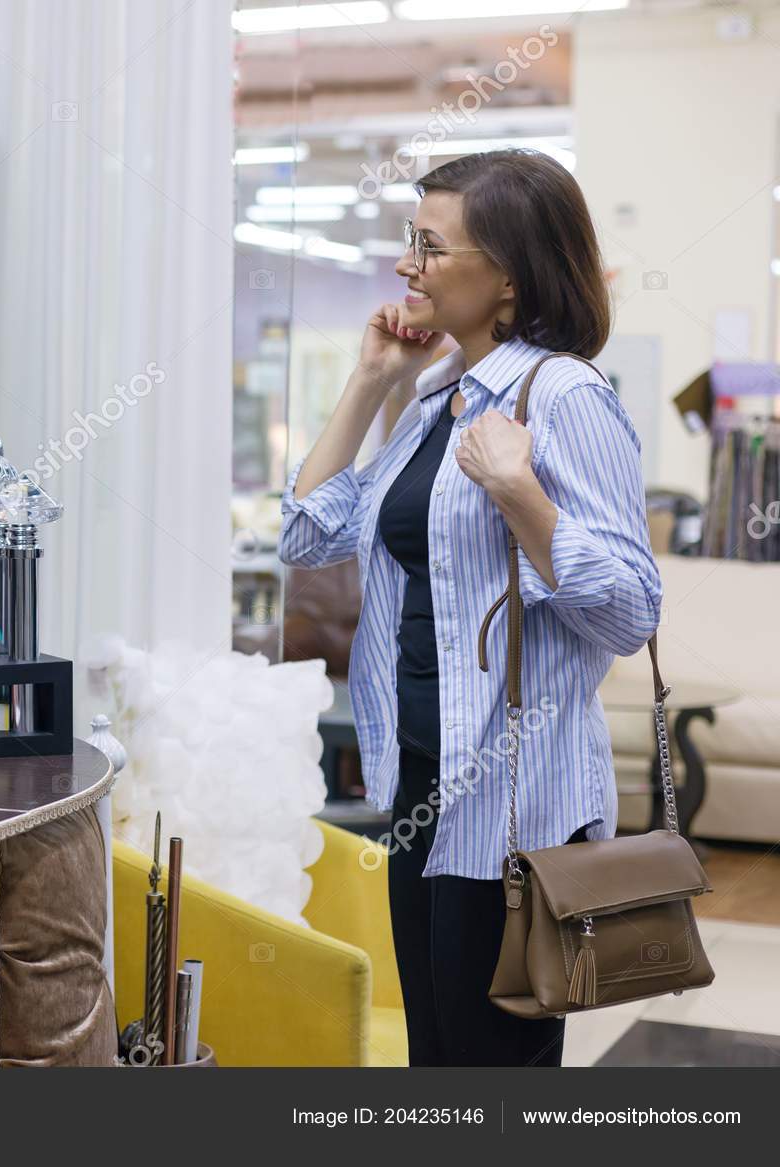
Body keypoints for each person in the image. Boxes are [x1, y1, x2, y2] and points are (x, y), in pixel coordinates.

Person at [280, 150, 661, 1066]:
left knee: (497, 1068)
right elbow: (304, 535)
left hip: (517, 801)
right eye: (410, 241)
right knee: (436, 1054)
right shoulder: (436, 397)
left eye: (430, 246)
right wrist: (371, 378)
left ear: (507, 280)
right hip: (424, 784)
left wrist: (522, 493)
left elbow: (631, 609)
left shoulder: (566, 397)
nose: (406, 266)